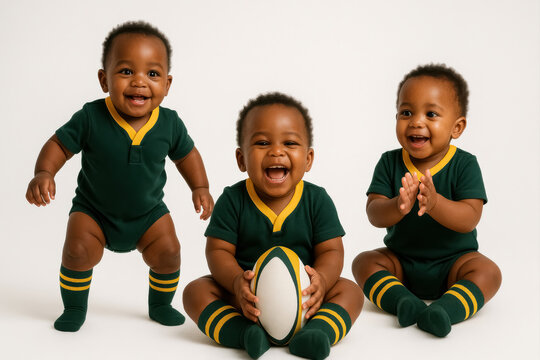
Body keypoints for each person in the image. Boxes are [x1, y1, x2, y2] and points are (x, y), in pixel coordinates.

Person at [25, 21, 214, 332]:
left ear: (167, 85)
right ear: (104, 79)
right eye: (126, 71)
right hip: (93, 212)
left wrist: (200, 186)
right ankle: (74, 307)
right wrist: (44, 171)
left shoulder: (169, 123)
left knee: (169, 252)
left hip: (148, 215)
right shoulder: (91, 117)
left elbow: (187, 155)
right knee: (77, 251)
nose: (139, 82)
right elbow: (59, 144)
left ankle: (160, 304)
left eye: (152, 74)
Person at [182, 92, 363, 359]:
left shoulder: (317, 200)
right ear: (241, 159)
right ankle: (243, 333)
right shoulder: (233, 200)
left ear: (308, 158)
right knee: (194, 292)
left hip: (306, 301)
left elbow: (332, 251)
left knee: (351, 291)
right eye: (263, 142)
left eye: (289, 142)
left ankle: (319, 332)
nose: (276, 151)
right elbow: (218, 251)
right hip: (247, 302)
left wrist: (321, 281)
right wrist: (236, 283)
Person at [352, 64, 501, 337]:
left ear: (457, 127)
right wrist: (397, 205)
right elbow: (374, 213)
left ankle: (446, 308)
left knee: (489, 272)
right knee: (363, 262)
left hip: (454, 263)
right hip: (402, 262)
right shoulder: (389, 162)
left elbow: (470, 218)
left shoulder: (464, 164)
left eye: (431, 114)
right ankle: (402, 301)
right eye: (406, 112)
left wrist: (435, 204)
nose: (416, 122)